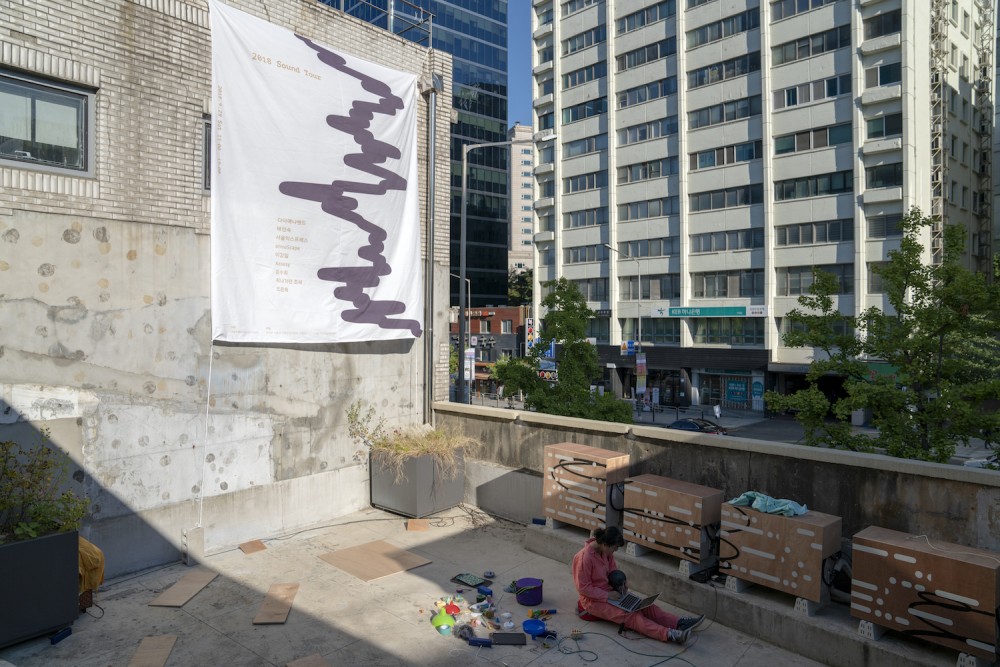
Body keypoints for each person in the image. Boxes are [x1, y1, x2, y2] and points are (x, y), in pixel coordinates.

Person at [571, 526, 705, 643]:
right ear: (605, 544)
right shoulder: (584, 558)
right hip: (593, 601)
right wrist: (607, 595)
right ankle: (669, 634)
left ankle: (679, 623)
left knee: (645, 606)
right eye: (614, 548)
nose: (615, 551)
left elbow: (613, 571)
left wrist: (621, 584)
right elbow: (583, 588)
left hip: (613, 593)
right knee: (631, 616)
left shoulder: (606, 551)